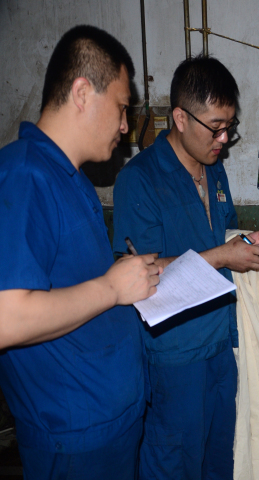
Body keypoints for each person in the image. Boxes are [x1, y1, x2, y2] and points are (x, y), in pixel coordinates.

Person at [0, 25, 161, 479]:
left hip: (108, 426)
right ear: (82, 92)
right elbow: (8, 317)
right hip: (73, 439)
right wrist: (112, 288)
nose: (125, 126)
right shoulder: (24, 174)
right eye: (122, 108)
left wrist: (125, 277)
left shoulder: (70, 178)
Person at [112, 55, 259, 480]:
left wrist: (247, 248)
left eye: (229, 127)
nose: (223, 139)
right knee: (174, 464)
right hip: (174, 356)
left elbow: (222, 238)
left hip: (221, 346)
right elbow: (140, 271)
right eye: (215, 127)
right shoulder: (140, 180)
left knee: (220, 462)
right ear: (180, 118)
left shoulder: (215, 173)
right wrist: (223, 256)